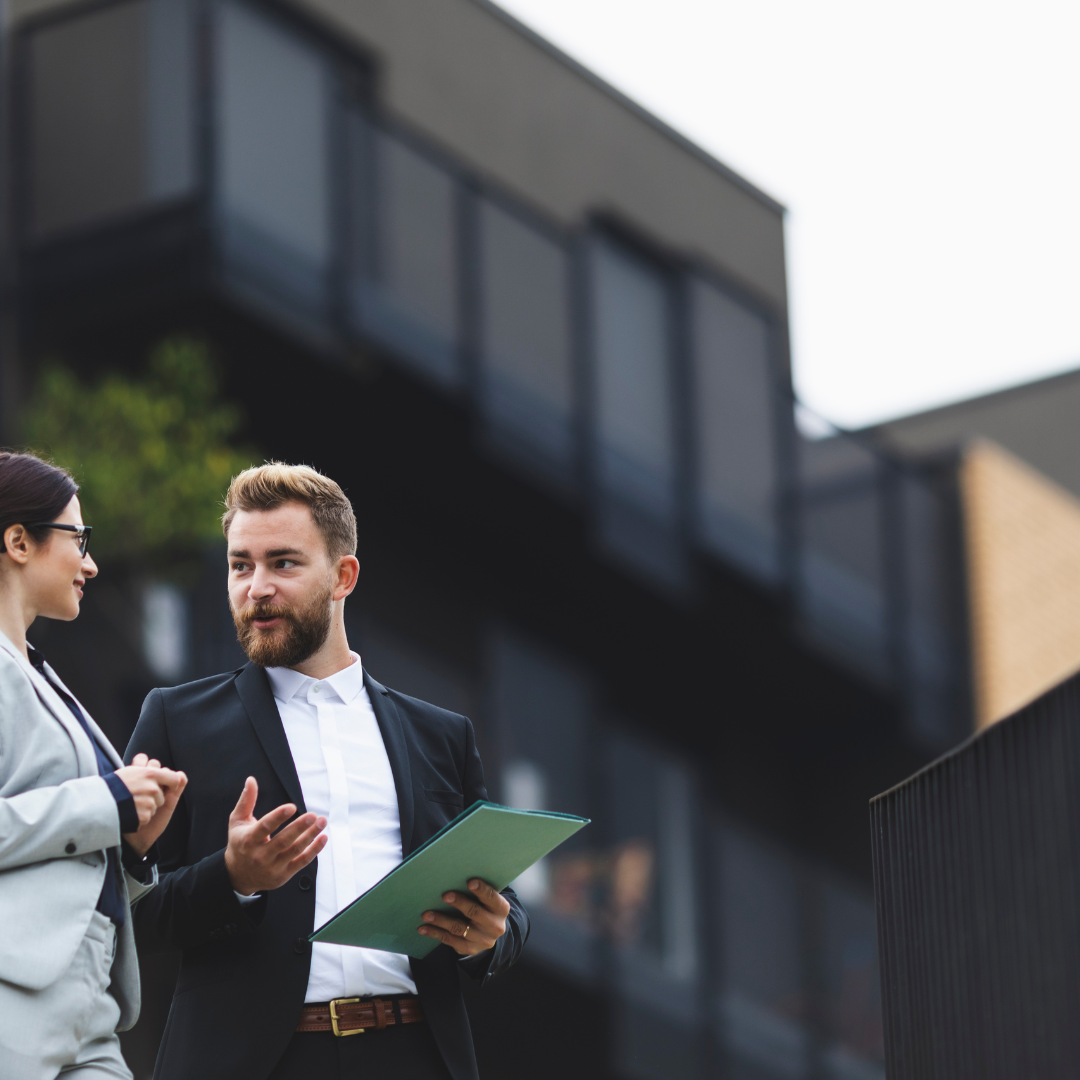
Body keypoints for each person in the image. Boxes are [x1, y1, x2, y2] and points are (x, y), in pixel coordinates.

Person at [126, 463, 528, 1080]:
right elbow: (123, 910)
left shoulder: (441, 736)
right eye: (240, 565)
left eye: (283, 563)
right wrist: (232, 877)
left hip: (414, 1053)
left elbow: (502, 902)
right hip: (252, 1063)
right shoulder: (176, 720)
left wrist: (493, 935)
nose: (256, 586)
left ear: (344, 576)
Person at [0, 451, 187, 1080]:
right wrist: (107, 803)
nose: (91, 562)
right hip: (14, 993)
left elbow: (72, 859)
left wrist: (133, 847)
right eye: (78, 538)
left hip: (94, 1001)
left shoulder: (44, 677)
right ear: (18, 541)